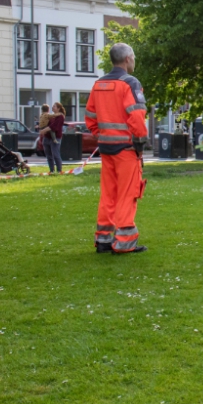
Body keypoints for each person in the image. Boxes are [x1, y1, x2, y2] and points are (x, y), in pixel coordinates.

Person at [85, 43, 149, 254]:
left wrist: (102, 135)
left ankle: (103, 239)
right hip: (126, 149)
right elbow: (137, 116)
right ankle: (124, 241)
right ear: (128, 58)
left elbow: (91, 118)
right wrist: (140, 142)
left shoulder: (98, 84)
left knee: (109, 194)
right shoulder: (130, 83)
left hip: (107, 148)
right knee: (127, 194)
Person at [40, 102, 66, 173]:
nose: (52, 108)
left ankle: (59, 170)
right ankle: (51, 170)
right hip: (47, 137)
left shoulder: (60, 117)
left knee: (55, 154)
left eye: (54, 106)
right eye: (52, 106)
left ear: (58, 108)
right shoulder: (51, 116)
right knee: (49, 155)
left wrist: (44, 130)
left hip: (56, 138)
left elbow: (54, 127)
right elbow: (46, 123)